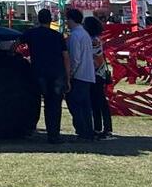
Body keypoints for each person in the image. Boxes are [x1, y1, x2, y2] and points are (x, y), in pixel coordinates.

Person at [19, 9, 70, 143]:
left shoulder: (31, 33)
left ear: (38, 19)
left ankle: (29, 129)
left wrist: (13, 55)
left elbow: (16, 44)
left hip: (38, 72)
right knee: (54, 105)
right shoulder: (58, 36)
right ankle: (53, 135)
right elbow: (65, 57)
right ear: (51, 20)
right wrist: (68, 77)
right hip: (56, 73)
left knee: (34, 102)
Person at [63, 8, 97, 141]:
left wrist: (69, 74)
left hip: (79, 75)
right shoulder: (84, 34)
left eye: (67, 20)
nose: (66, 23)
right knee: (85, 106)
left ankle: (82, 131)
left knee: (75, 104)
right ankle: (88, 131)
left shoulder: (75, 36)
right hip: (87, 74)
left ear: (71, 20)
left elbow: (75, 59)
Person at [84, 15, 114, 139]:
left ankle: (101, 128)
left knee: (98, 102)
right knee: (99, 101)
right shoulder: (96, 39)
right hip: (99, 72)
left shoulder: (93, 41)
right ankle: (102, 128)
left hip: (96, 73)